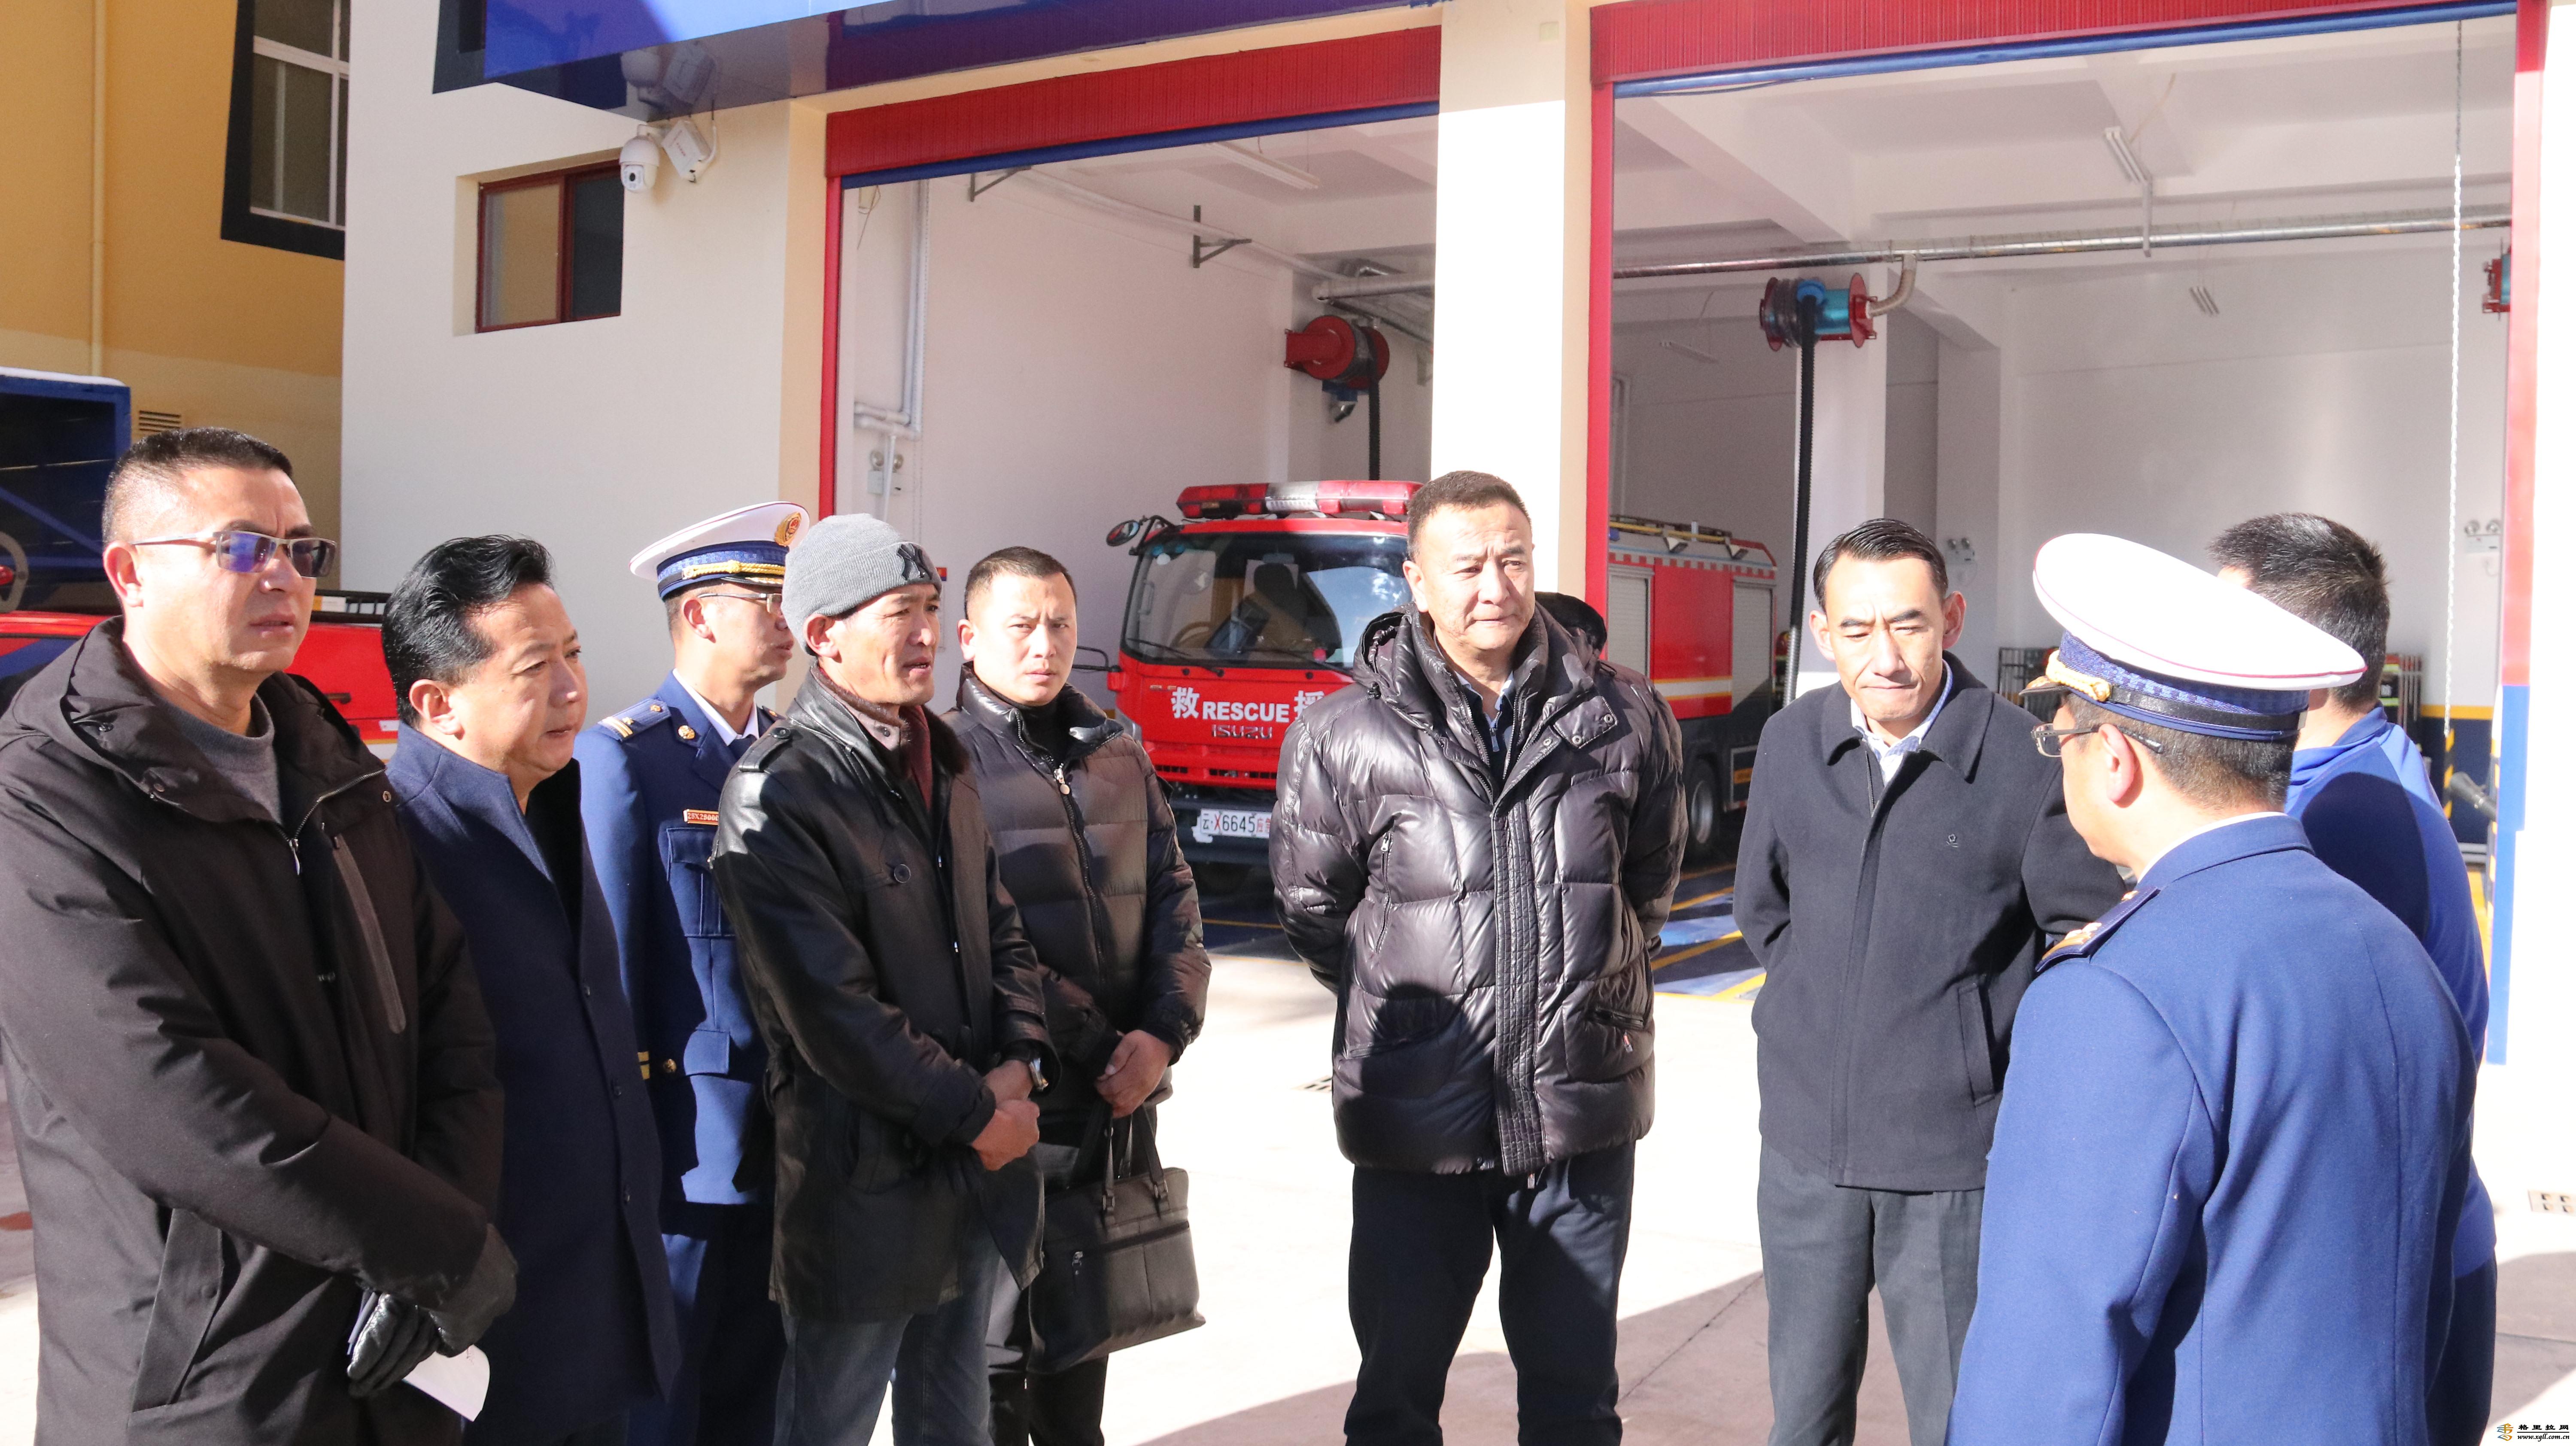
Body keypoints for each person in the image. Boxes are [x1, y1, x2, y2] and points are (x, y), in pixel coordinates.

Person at [0, 428, 514, 1443]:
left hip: (393, 1344)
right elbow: (166, 1090)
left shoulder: (325, 758)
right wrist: (432, 1241)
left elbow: (449, 1010)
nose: (284, 574)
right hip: (210, 1377)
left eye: (301, 548)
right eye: (241, 547)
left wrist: (439, 1244)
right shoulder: (48, 791)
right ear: (129, 573)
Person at [1948, 532, 2475, 1445]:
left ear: (2115, 758)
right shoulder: (2397, 955)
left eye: (2061, 735)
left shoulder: (2113, 996)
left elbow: (2045, 1371)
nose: (2059, 757)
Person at [1270, 470, 1686, 1446]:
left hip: (1579, 1111)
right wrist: (1417, 1009)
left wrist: (1581, 988)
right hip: (1418, 1118)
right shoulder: (1345, 731)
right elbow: (1314, 908)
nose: (1495, 587)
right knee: (1396, 1398)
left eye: (1514, 560)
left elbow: (1648, 885)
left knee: (1576, 1403)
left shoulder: (1622, 712)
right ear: (1416, 580)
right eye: (1467, 567)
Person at [1732, 518, 2123, 1446]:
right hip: (1805, 1153)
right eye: (1857, 630)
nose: (1886, 657)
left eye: (1908, 624)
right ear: (1821, 634)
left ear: (1951, 618)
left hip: (1953, 1170)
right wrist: (1814, 1023)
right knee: (1803, 1416)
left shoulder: (2028, 760)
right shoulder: (1791, 741)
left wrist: (1980, 1063)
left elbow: (2080, 941)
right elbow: (1764, 909)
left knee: (1958, 1418)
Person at [711, 515, 1054, 1446]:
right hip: (862, 1183)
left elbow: (1001, 927)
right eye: (901, 612)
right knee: (830, 1422)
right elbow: (834, 1015)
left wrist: (1023, 1059)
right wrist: (977, 1112)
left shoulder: (942, 757)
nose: (928, 634)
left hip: (971, 1169)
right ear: (824, 634)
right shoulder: (778, 792)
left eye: (931, 609)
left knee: (955, 1421)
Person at [2208, 512, 2495, 1444]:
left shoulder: (2347, 821)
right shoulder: (2347, 777)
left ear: (2307, 665)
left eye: (2225, 628)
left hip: (2380, 1282)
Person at [385, 535, 679, 1445]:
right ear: (437, 703)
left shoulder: (547, 802)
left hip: (595, 1299)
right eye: (533, 667)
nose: (571, 688)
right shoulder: (398, 845)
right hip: (485, 1331)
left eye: (573, 654)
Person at [943, 546, 1211, 1446]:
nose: (1044, 644)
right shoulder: (945, 763)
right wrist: (1102, 1048)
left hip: (1117, 1104)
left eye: (1060, 623)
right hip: (1018, 1102)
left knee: (1082, 1347)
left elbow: (1175, 899)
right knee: (991, 1358)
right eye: (1021, 625)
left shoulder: (1116, 749)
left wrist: (1164, 1032)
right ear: (969, 637)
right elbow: (987, 934)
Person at [579, 502, 807, 1446]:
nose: (790, 621)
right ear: (701, 615)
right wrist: (627, 1152)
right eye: (768, 601)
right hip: (687, 1149)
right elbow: (613, 976)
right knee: (666, 1409)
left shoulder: (791, 756)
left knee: (754, 1402)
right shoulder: (625, 758)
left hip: (790, 1140)